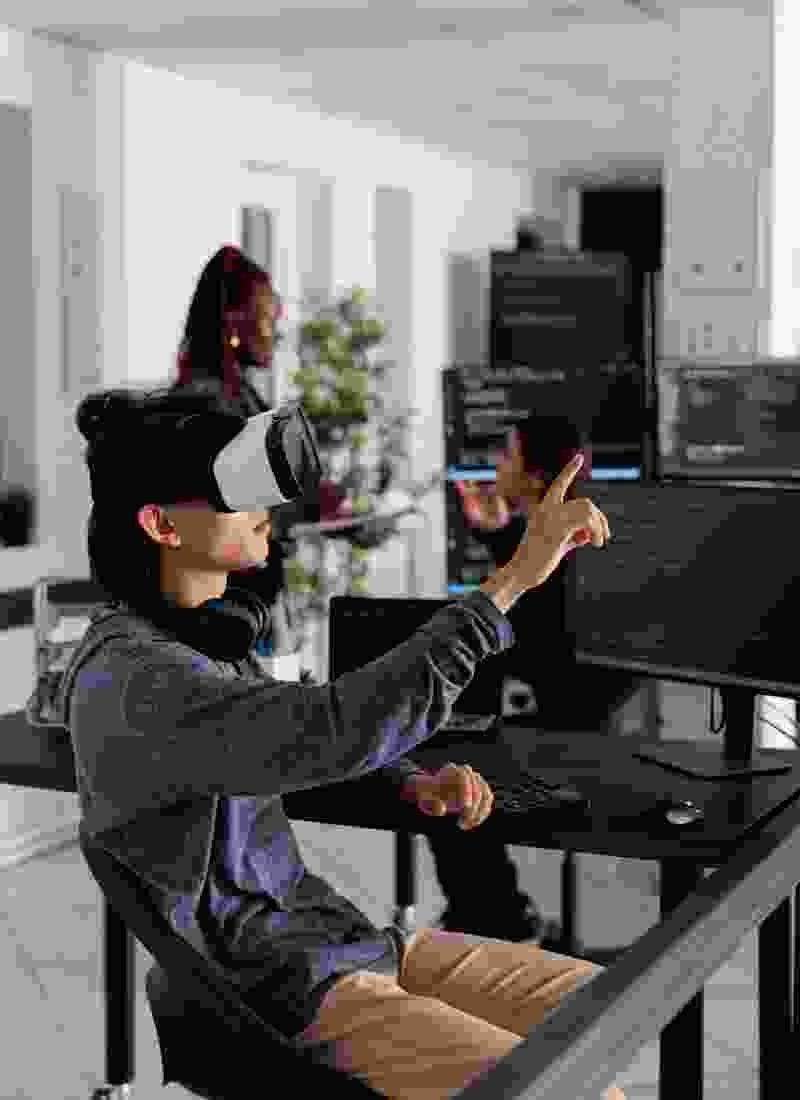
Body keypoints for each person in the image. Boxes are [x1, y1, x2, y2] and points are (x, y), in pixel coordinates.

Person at [55, 385, 625, 1100]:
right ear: (162, 524)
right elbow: (330, 725)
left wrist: (410, 783)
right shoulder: (141, 679)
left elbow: (286, 738)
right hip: (284, 990)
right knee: (577, 1089)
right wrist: (510, 583)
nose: (266, 508)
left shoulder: (202, 641)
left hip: (340, 941)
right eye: (234, 492)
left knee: (606, 1009)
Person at [428, 415, 644, 943]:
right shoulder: (558, 539)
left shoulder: (572, 548)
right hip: (564, 724)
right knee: (453, 762)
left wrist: (499, 539)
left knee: (451, 782)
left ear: (535, 475)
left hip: (576, 743)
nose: (496, 466)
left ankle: (495, 921)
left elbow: (535, 634)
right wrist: (498, 536)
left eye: (507, 455)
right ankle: (496, 917)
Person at [171, 243, 311, 643]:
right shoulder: (211, 403)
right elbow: (229, 510)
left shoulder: (235, 395)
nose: (276, 334)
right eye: (267, 319)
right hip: (232, 608)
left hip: (249, 599)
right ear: (235, 322)